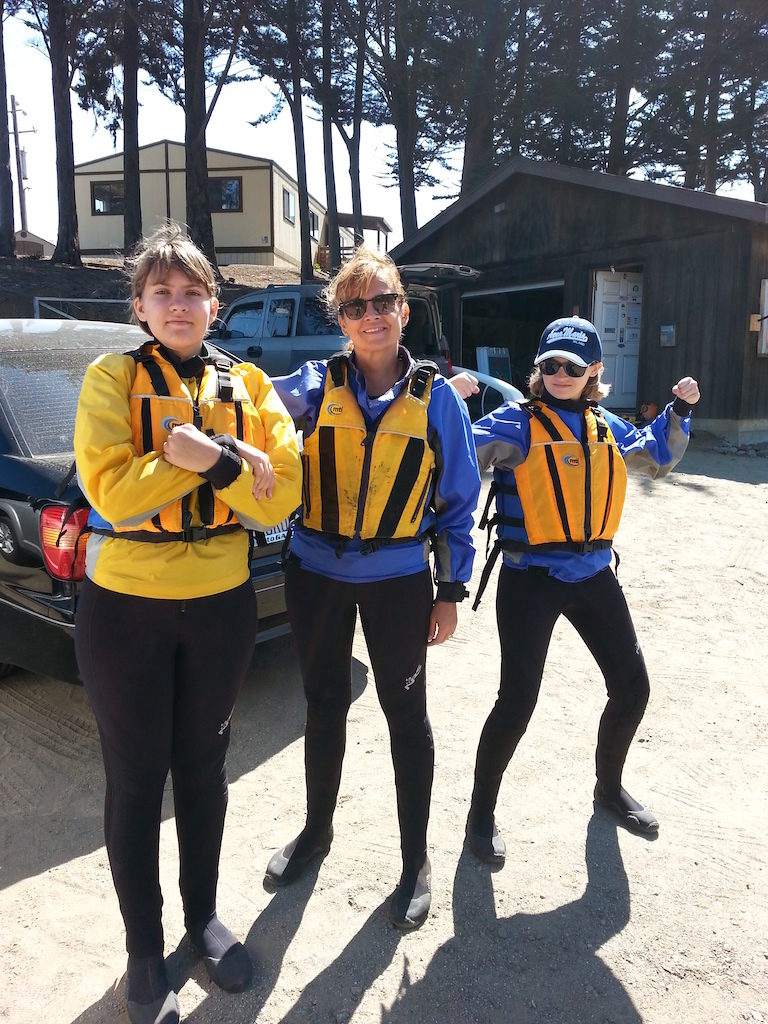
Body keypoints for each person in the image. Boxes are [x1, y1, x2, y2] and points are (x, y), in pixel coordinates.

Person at [73, 224, 302, 1024]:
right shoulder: (109, 378)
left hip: (219, 603)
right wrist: (223, 464)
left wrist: (209, 456)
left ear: (215, 303)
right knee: (137, 779)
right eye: (162, 292)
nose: (179, 304)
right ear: (139, 307)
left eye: (194, 290)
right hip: (124, 607)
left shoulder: (251, 385)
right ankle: (145, 952)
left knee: (204, 768)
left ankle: (202, 920)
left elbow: (286, 496)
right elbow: (111, 495)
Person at [259, 246, 480, 930]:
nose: (371, 316)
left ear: (404, 311)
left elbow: (458, 503)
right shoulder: (312, 384)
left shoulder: (437, 400)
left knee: (405, 718)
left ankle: (416, 862)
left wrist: (451, 589)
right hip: (316, 572)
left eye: (383, 301)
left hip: (398, 581)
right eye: (355, 307)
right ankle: (316, 832)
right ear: (342, 320)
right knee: (324, 707)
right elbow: (250, 407)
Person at [465, 315, 700, 866]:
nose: (560, 374)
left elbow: (656, 456)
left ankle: (608, 788)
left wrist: (680, 412)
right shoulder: (517, 424)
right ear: (538, 370)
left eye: (573, 366)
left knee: (632, 686)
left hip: (593, 573)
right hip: (530, 578)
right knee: (517, 700)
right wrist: (442, 406)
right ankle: (481, 812)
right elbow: (455, 453)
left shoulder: (606, 427)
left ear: (595, 371)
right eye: (550, 365)